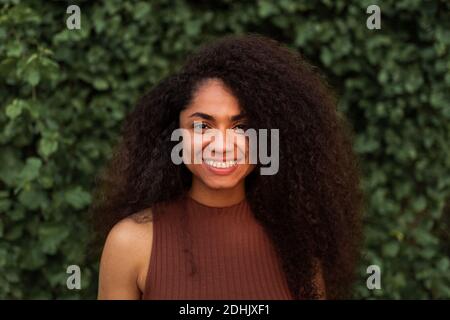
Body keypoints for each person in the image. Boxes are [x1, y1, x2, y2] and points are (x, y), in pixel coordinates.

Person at [92, 34, 364, 300]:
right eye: (202, 126)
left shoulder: (297, 243)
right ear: (173, 134)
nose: (221, 145)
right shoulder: (130, 243)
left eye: (242, 127)